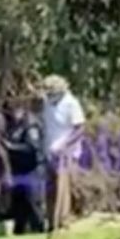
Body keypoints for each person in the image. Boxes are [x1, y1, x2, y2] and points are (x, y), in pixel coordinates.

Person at [40, 74, 86, 230]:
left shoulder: (71, 103)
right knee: (50, 187)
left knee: (63, 187)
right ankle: (51, 221)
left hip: (66, 152)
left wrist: (64, 146)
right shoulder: (47, 103)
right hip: (49, 150)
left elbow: (79, 129)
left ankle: (63, 220)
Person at [1, 96, 46, 235]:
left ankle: (39, 232)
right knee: (19, 206)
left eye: (12, 111)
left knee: (33, 204)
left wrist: (11, 147)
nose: (10, 115)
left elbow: (33, 147)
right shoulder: (12, 125)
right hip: (18, 171)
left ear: (20, 110)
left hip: (32, 171)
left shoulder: (30, 124)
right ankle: (18, 233)